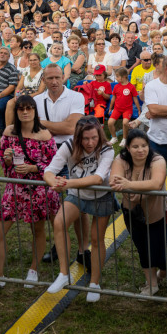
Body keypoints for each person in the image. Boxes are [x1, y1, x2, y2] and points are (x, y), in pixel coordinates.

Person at [0, 95, 61, 292]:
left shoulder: (45, 135)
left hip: (39, 190)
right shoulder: (9, 132)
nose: (25, 112)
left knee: (37, 231)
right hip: (15, 189)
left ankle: (33, 269)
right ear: (16, 112)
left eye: (29, 108)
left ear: (34, 111)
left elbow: (55, 165)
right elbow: (3, 158)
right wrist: (7, 160)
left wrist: (34, 169)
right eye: (21, 109)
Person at [44, 117, 118, 302]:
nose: (90, 142)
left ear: (99, 134)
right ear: (78, 138)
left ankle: (94, 283)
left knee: (96, 238)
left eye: (94, 137)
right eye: (85, 139)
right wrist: (54, 183)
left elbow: (98, 178)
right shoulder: (69, 145)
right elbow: (49, 170)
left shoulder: (107, 149)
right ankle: (63, 274)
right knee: (59, 222)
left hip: (101, 196)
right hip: (77, 195)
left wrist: (67, 183)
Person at [110, 128, 167, 297]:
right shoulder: (121, 159)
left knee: (157, 251)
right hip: (132, 212)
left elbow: (156, 183)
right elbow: (114, 181)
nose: (141, 150)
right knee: (142, 247)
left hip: (157, 211)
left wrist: (128, 185)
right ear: (128, 148)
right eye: (135, 146)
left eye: (144, 145)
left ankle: (164, 269)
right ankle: (151, 285)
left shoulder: (157, 159)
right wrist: (133, 186)